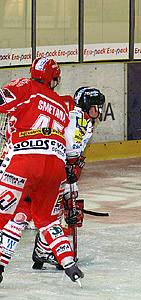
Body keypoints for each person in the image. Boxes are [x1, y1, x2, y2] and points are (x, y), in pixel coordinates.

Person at [0, 57, 83, 284]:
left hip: (23, 161)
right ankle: (69, 263)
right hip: (55, 167)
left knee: (6, 216)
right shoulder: (61, 104)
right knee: (47, 220)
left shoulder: (24, 86)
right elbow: (70, 144)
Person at [31, 87, 105, 269]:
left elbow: (76, 150)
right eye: (96, 106)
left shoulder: (86, 121)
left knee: (70, 205)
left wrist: (75, 165)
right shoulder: (74, 119)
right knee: (55, 208)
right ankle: (44, 250)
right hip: (49, 167)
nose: (100, 111)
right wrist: (66, 166)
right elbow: (58, 144)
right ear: (87, 106)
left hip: (58, 167)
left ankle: (46, 249)